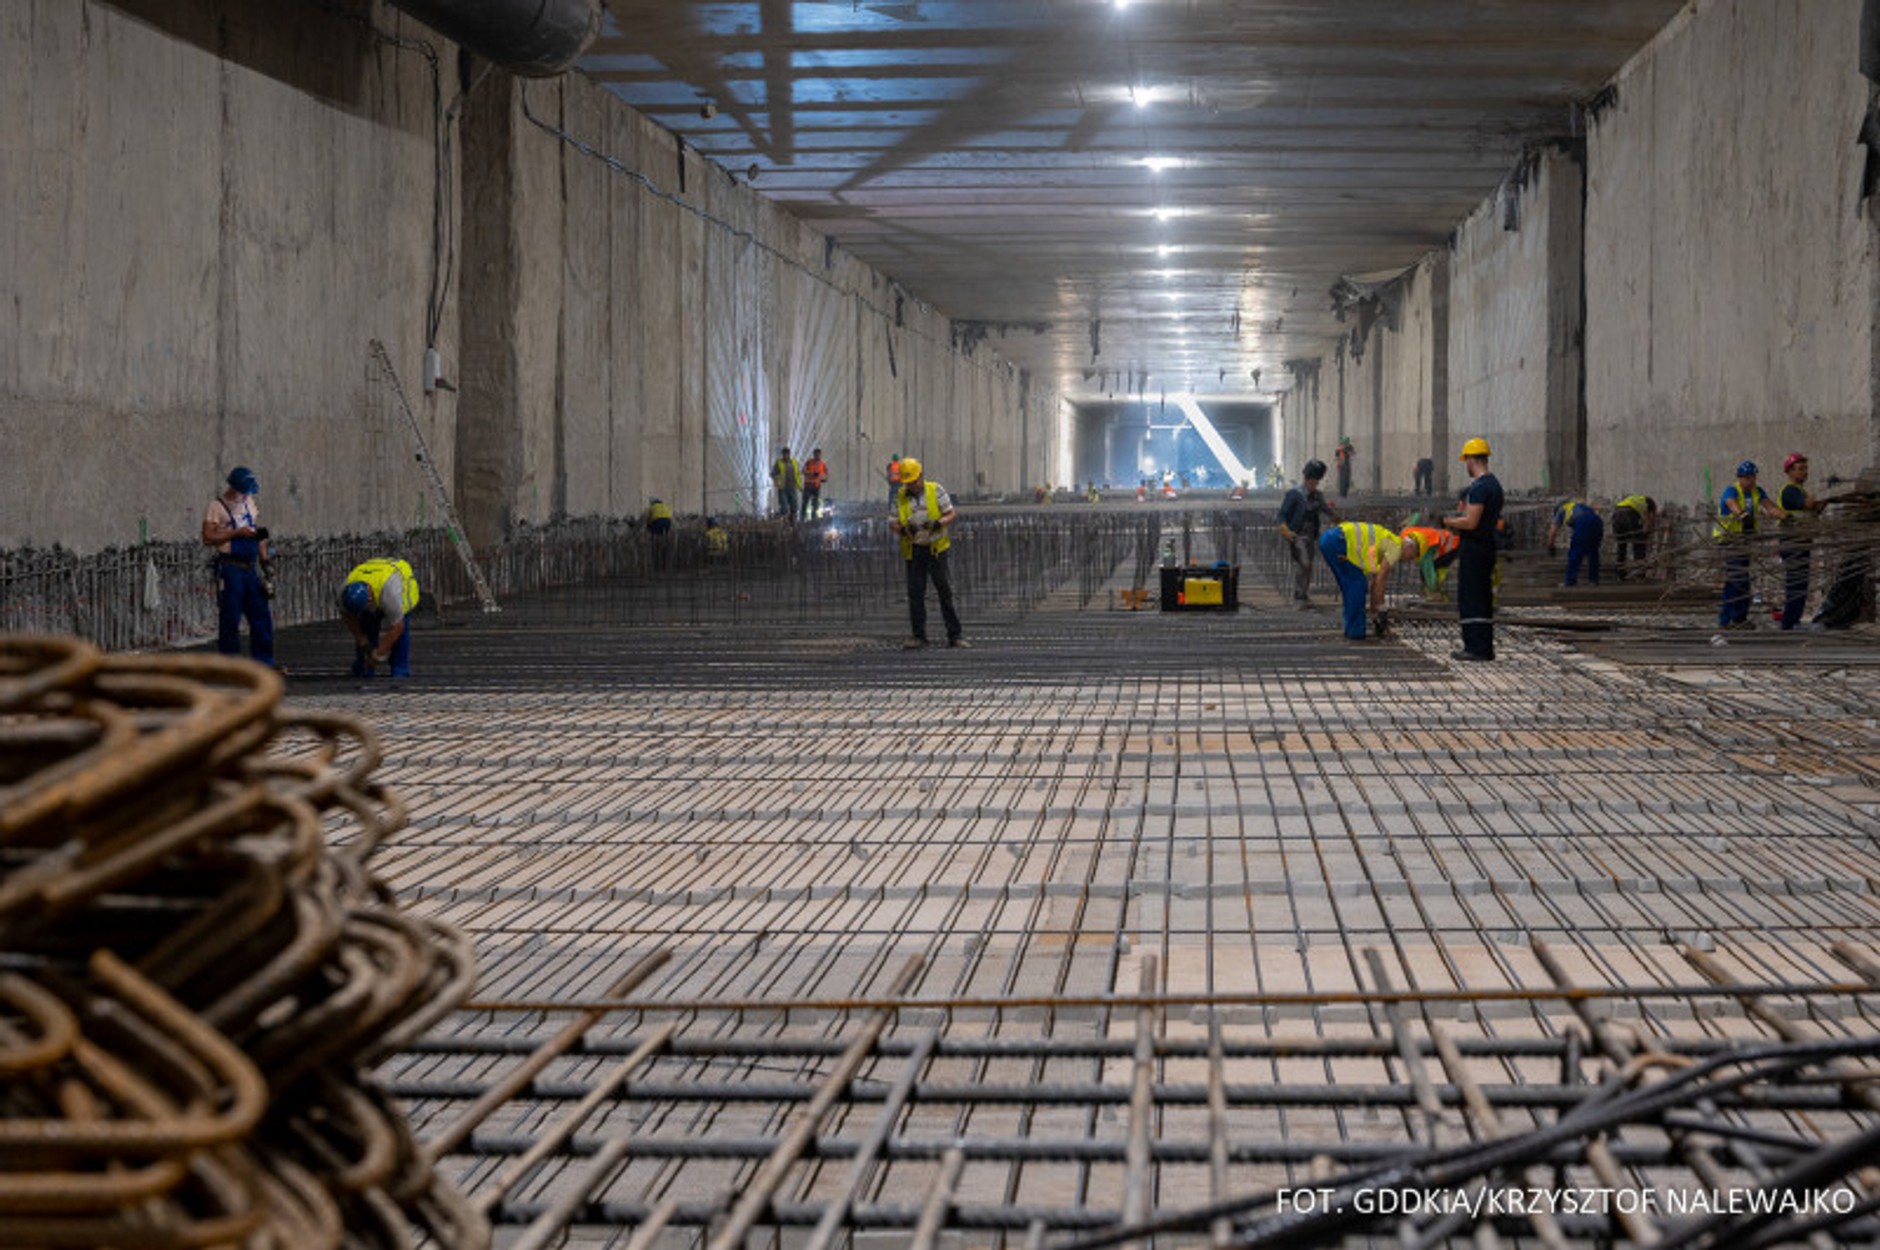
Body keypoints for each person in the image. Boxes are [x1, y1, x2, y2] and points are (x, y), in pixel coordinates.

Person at [201, 465, 277, 670]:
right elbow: (208, 537)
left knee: (260, 614)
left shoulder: (249, 503)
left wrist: (266, 563)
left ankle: (264, 662)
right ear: (234, 488)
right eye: (244, 492)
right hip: (230, 567)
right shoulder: (216, 507)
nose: (246, 496)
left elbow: (257, 535)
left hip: (250, 568)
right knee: (230, 617)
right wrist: (234, 534)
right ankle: (230, 666)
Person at [892, 457, 966, 649]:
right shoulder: (900, 495)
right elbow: (893, 522)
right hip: (914, 550)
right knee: (916, 593)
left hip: (936, 549)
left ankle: (955, 635)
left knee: (944, 591)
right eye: (908, 482)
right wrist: (904, 530)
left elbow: (951, 513)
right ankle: (919, 636)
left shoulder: (936, 490)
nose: (912, 486)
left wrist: (938, 523)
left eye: (914, 481)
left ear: (921, 475)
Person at [1443, 437, 1504, 661]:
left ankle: (1476, 648)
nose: (1465, 465)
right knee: (1482, 596)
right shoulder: (1494, 484)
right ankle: (1483, 645)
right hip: (1486, 545)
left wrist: (1447, 521)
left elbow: (1470, 522)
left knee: (1471, 596)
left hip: (1476, 548)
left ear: (1471, 459)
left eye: (1465, 460)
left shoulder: (1479, 487)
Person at [1318, 521, 1417, 641]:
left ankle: (1353, 629)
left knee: (1352, 586)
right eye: (1411, 556)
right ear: (1409, 547)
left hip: (1331, 538)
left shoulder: (1385, 542)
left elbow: (1375, 583)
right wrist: (1381, 609)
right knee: (1356, 586)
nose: (1407, 560)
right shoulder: (1396, 547)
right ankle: (1355, 631)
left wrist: (1373, 611)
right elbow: (1381, 579)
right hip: (1340, 541)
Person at [1714, 460, 1783, 628]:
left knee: (1736, 580)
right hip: (1730, 540)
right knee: (1740, 579)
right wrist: (1742, 514)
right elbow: (1731, 503)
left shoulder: (1756, 492)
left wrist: (1784, 516)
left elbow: (1769, 506)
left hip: (1745, 541)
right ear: (1739, 478)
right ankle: (1735, 618)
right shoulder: (1732, 490)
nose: (1750, 481)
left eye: (1752, 477)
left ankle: (1730, 619)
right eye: (1746, 477)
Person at [340, 558, 419, 678]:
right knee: (367, 625)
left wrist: (379, 653)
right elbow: (348, 617)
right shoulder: (343, 592)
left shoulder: (391, 594)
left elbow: (398, 626)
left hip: (399, 580)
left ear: (370, 598)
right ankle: (363, 668)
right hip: (377, 581)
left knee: (400, 633)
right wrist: (362, 640)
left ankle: (400, 668)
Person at [1277, 459, 1340, 610]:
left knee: (1308, 565)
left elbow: (1325, 510)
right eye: (1312, 482)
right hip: (1297, 535)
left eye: (1316, 482)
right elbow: (1282, 514)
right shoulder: (1294, 494)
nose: (1315, 485)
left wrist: (1338, 520)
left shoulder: (1317, 496)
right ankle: (1298, 597)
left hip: (1311, 535)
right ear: (1306, 480)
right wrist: (1284, 529)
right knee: (1304, 563)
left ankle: (1303, 595)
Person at [1776, 452, 1827, 630]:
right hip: (1793, 542)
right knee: (1796, 583)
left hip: (1801, 542)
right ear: (1789, 471)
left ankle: (1793, 621)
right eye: (1800, 469)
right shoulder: (1790, 491)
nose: (1805, 472)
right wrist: (1815, 502)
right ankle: (1789, 623)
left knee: (1800, 584)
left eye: (1806, 468)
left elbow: (1810, 510)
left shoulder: (1799, 491)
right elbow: (1807, 505)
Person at [1545, 499, 1604, 587]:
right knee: (1593, 552)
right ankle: (1593, 580)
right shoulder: (1579, 506)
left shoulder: (1561, 510)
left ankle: (1570, 581)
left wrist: (1550, 546)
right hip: (1597, 521)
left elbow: (1553, 531)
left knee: (1575, 553)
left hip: (1583, 522)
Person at [1400, 522, 1461, 600]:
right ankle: (1434, 593)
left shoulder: (1425, 550)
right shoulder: (1404, 533)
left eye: (1407, 557)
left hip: (1454, 545)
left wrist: (1432, 590)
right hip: (1445, 540)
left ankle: (1437, 597)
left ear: (1410, 547)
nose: (1407, 560)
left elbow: (1428, 572)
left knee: (1431, 571)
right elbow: (1416, 516)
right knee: (1426, 571)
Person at [1610, 495, 1657, 581]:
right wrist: (1648, 532)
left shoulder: (1633, 499)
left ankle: (1620, 573)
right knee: (1639, 543)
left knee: (1621, 544)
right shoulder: (1649, 503)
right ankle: (1640, 573)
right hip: (1629, 514)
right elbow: (1651, 519)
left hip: (1616, 514)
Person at [772, 447, 802, 521]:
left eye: (787, 454)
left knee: (794, 506)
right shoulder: (779, 463)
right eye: (784, 454)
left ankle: (792, 522)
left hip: (792, 487)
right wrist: (777, 480)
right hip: (783, 488)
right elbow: (773, 474)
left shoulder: (794, 462)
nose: (786, 455)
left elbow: (798, 473)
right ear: (782, 454)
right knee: (784, 507)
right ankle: (782, 519)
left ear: (789, 454)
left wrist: (799, 485)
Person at [802, 448, 829, 520]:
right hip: (808, 486)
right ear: (814, 455)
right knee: (805, 503)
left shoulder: (822, 464)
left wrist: (823, 479)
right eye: (816, 454)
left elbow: (826, 475)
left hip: (816, 487)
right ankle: (802, 519)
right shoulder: (809, 462)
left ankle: (813, 519)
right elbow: (803, 471)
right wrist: (812, 474)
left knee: (815, 504)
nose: (817, 456)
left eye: (819, 455)